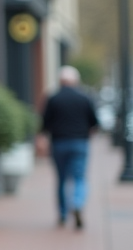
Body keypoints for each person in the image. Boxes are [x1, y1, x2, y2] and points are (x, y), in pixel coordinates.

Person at [41, 65, 98, 229]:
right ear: (76, 81)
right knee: (79, 177)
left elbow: (45, 123)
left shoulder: (53, 98)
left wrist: (42, 139)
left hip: (59, 143)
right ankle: (78, 203)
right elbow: (94, 123)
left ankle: (63, 214)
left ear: (60, 81)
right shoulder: (84, 98)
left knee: (61, 180)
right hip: (80, 142)